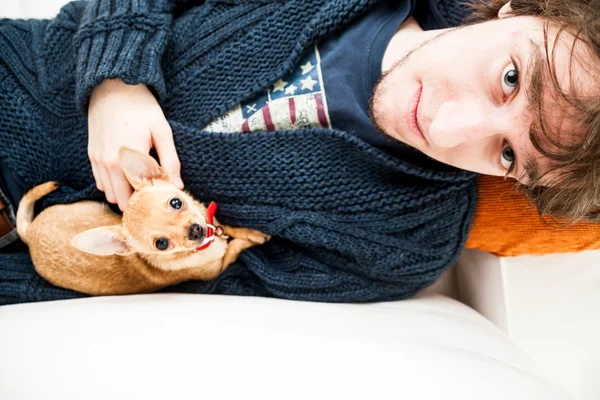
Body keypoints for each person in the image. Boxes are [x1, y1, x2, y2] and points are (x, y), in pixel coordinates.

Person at [0, 0, 597, 305]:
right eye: (512, 78)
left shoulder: (404, 242)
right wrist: (116, 79)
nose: (444, 131)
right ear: (522, 8)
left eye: (507, 156)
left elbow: (199, 285)